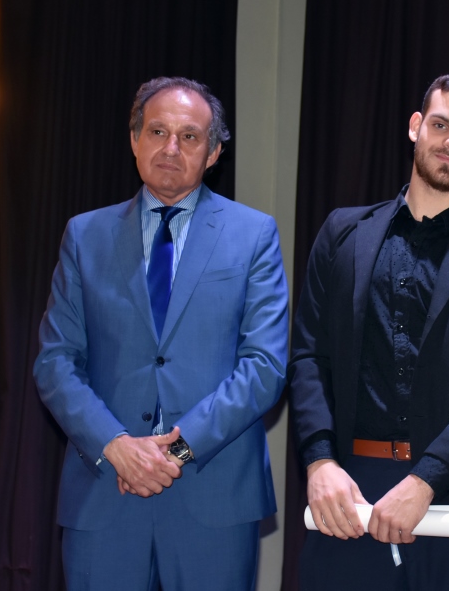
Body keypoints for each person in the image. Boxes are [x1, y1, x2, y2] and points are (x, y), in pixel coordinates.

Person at [289, 71, 449, 590]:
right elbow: (307, 358)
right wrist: (319, 462)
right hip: (349, 499)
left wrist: (427, 480)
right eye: (440, 124)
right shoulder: (342, 233)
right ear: (415, 127)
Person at [34, 77, 289, 591]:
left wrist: (174, 452)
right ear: (134, 140)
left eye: (190, 136)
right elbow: (55, 362)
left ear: (214, 152)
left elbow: (265, 366)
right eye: (157, 131)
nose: (171, 148)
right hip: (106, 490)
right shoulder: (85, 236)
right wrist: (116, 446)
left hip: (212, 494)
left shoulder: (254, 234)